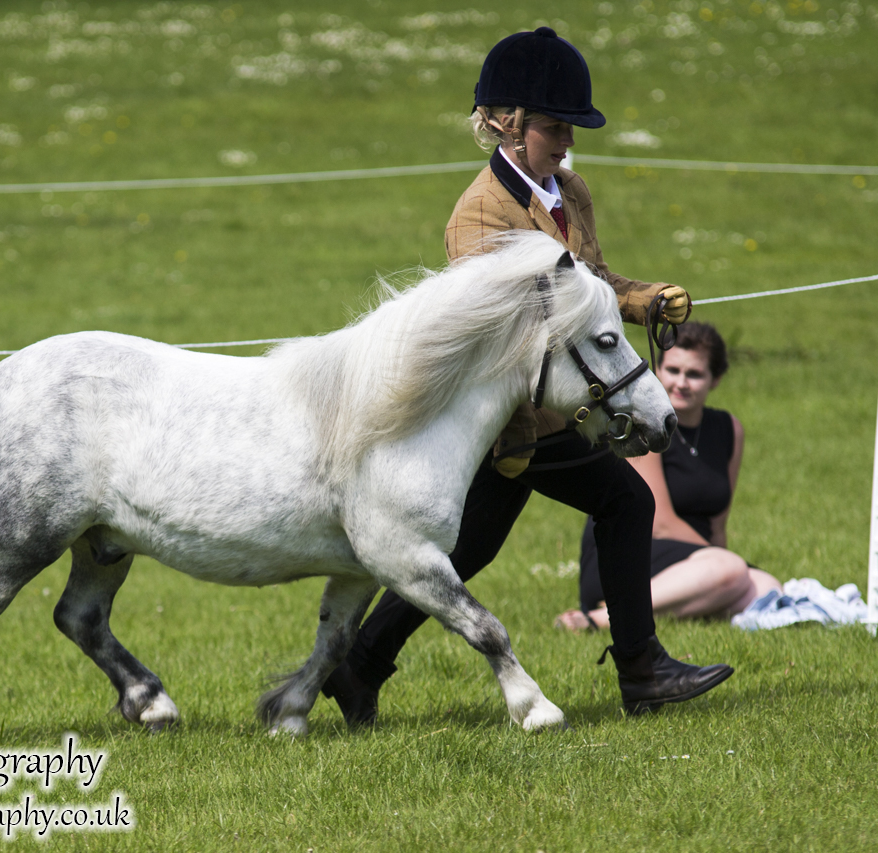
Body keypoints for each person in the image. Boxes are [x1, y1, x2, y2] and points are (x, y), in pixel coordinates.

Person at [321, 26, 734, 724]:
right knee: (620, 504)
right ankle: (642, 672)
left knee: (472, 548)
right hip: (508, 421)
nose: (566, 140)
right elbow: (493, 334)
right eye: (553, 126)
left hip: (555, 411)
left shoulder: (569, 190)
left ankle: (357, 671)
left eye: (569, 127)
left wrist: (644, 299)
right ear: (508, 126)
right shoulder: (479, 215)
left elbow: (592, 288)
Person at [556, 323, 781, 631]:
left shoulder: (729, 429)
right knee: (731, 570)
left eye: (695, 374)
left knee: (768, 587)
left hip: (697, 562)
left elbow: (717, 522)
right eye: (672, 370)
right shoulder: (642, 426)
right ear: (657, 371)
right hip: (634, 549)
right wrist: (722, 562)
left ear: (715, 380)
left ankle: (695, 597)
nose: (681, 383)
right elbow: (660, 522)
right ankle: (598, 619)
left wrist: (722, 563)